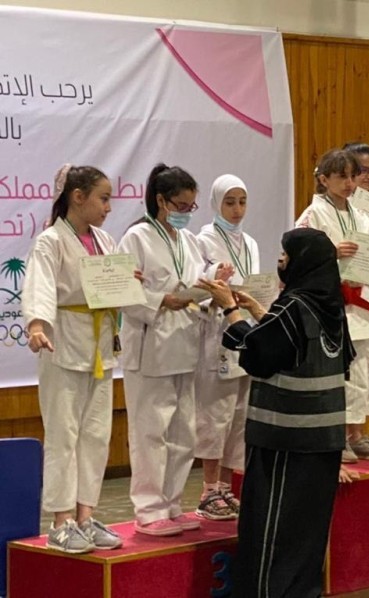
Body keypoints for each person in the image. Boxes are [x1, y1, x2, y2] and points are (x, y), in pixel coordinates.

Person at [197, 228, 353, 598]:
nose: (280, 262)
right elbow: (291, 343)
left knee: (272, 529)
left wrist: (231, 309)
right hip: (325, 440)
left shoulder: (293, 306)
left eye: (285, 256)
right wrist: (257, 310)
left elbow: (259, 354)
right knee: (307, 531)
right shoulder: (330, 306)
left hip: (285, 439)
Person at [119, 163, 224, 536]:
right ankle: (149, 511)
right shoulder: (136, 238)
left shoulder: (188, 241)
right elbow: (123, 292)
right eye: (181, 206)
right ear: (161, 200)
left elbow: (194, 285)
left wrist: (212, 288)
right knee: (151, 431)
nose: (186, 213)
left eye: (191, 207)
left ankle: (173, 504)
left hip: (186, 342)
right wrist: (161, 299)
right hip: (150, 347)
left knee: (183, 432)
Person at [22, 164, 123, 553]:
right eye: (103, 198)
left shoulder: (105, 240)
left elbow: (112, 287)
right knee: (63, 435)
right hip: (62, 343)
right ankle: (61, 520)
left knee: (96, 435)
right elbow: (40, 287)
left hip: (100, 347)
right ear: (77, 197)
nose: (108, 207)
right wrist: (36, 324)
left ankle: (85, 515)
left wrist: (127, 284)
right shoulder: (50, 241)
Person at [296, 149, 369, 474]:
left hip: (362, 302)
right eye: (342, 176)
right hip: (332, 304)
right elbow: (295, 257)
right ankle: (335, 438)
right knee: (342, 374)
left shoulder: (360, 215)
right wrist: (331, 252)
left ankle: (357, 434)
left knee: (367, 372)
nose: (350, 183)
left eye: (353, 176)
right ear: (324, 179)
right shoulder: (313, 215)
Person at [194, 175, 260, 520]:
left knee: (239, 416)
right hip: (216, 333)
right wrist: (215, 280)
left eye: (242, 202)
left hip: (244, 330)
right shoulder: (202, 240)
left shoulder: (250, 242)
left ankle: (225, 486)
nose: (237, 209)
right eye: (229, 202)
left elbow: (253, 283)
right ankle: (207, 490)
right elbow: (198, 286)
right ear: (216, 203)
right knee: (215, 415)